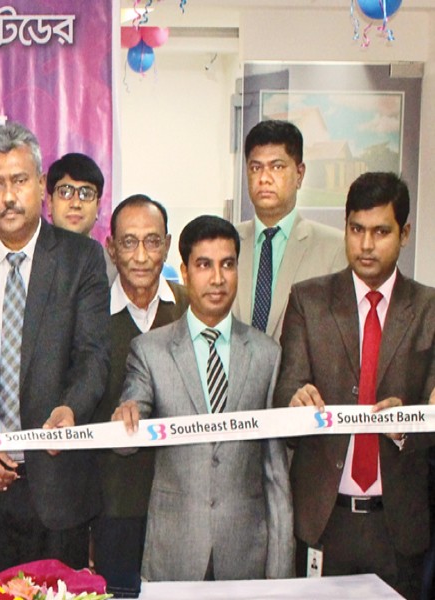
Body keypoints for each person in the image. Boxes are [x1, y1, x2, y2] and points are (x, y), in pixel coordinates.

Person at [0, 122, 110, 577]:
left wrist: (71, 409)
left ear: (40, 185)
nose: (8, 196)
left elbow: (93, 356)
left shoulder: (81, 260)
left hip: (58, 490)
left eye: (19, 181)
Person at [274, 172, 435, 598]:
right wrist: (295, 401)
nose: (365, 244)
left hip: (397, 525)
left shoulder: (429, 309)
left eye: (381, 232)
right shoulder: (308, 301)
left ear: (404, 234)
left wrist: (410, 426)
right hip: (324, 519)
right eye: (356, 229)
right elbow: (285, 391)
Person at [113, 215, 293, 581]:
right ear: (184, 271)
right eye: (204, 265)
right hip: (174, 552)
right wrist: (125, 418)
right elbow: (129, 423)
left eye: (227, 264)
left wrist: (280, 575)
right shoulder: (150, 350)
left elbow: (275, 473)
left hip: (246, 554)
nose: (217, 278)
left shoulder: (267, 354)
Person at [90, 194, 188, 595]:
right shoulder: (89, 313)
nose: (142, 256)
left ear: (167, 245)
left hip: (184, 503)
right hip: (113, 507)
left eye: (152, 241)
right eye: (129, 242)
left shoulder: (192, 309)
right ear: (111, 248)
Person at [233, 120, 345, 340]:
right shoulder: (227, 243)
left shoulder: (334, 248)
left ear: (299, 174)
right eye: (256, 168)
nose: (264, 178)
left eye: (277, 167)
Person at [45, 153, 105, 237]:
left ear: (97, 206)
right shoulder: (32, 245)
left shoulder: (103, 247)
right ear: (49, 203)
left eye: (86, 194)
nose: (76, 204)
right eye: (65, 193)